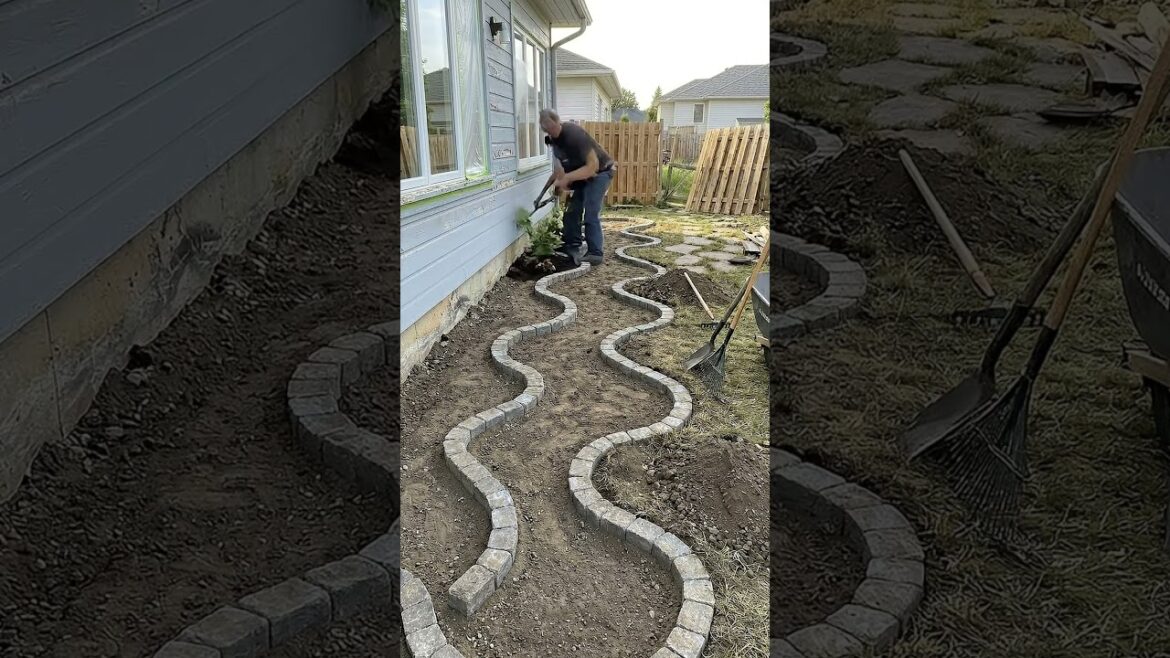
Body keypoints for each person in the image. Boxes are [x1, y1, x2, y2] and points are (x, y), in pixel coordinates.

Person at [536, 109, 615, 266]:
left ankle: (595, 253)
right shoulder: (553, 141)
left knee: (590, 211)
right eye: (547, 130)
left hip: (600, 172)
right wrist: (541, 196)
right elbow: (558, 172)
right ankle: (572, 246)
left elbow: (593, 166)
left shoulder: (573, 133)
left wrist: (567, 178)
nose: (551, 132)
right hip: (582, 176)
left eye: (552, 127)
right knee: (571, 210)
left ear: (558, 121)